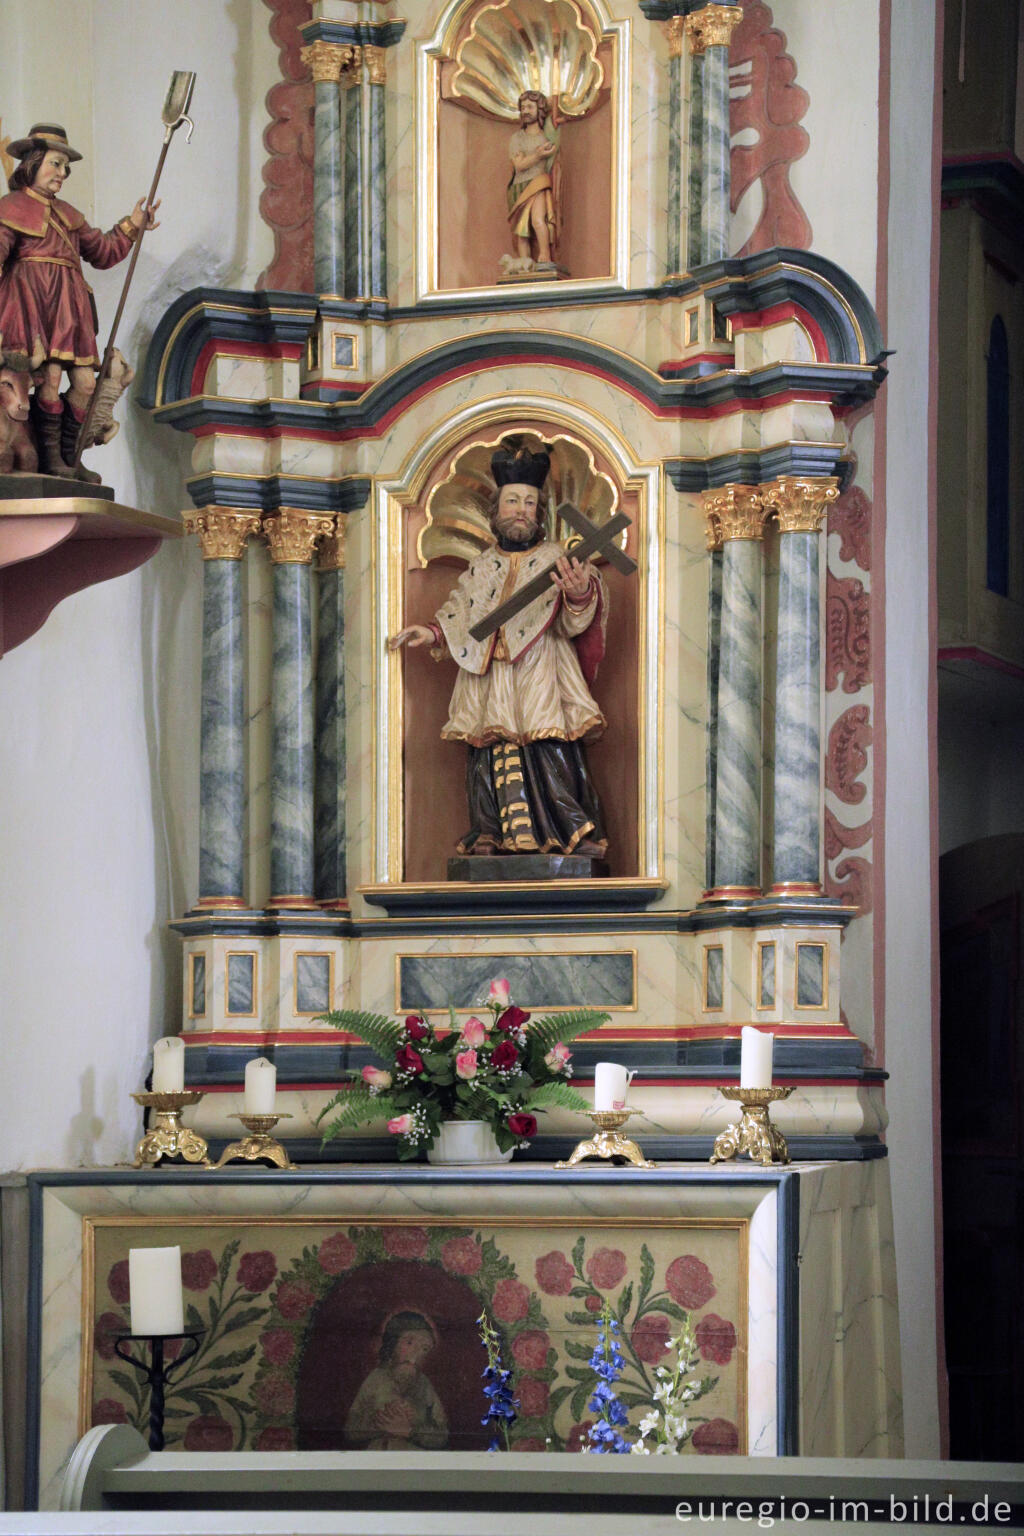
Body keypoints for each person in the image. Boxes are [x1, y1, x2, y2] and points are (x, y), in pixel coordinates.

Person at [389, 438, 608, 859]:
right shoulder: (482, 565)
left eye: (529, 502)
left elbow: (574, 620)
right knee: (488, 749)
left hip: (542, 667)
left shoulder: (557, 556)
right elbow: (460, 613)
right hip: (489, 672)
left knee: (548, 744)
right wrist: (431, 633)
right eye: (512, 501)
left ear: (539, 512)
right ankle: (490, 831)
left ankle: (568, 830)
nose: (521, 510)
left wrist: (580, 593)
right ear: (497, 511)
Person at [0, 123, 159, 478]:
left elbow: (101, 252)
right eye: (55, 164)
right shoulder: (10, 208)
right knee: (51, 380)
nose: (62, 174)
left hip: (69, 307)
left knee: (86, 384)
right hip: (33, 303)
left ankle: (72, 458)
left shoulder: (69, 215)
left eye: (65, 168)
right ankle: (54, 460)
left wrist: (132, 225)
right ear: (33, 162)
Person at [344, 1311, 448, 1450]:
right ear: (392, 1342)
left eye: (424, 1348)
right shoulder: (376, 1379)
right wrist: (380, 1424)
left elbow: (442, 1435)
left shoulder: (424, 1385)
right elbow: (351, 1429)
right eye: (409, 1342)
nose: (416, 1353)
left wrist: (411, 1431)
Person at [507, 91, 559, 268]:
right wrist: (537, 155)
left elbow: (554, 153)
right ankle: (525, 264)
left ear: (540, 109)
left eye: (530, 107)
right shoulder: (517, 138)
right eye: (522, 108)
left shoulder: (546, 137)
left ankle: (545, 254)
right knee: (521, 230)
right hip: (519, 187)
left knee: (538, 221)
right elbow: (519, 166)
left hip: (538, 183)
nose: (525, 111)